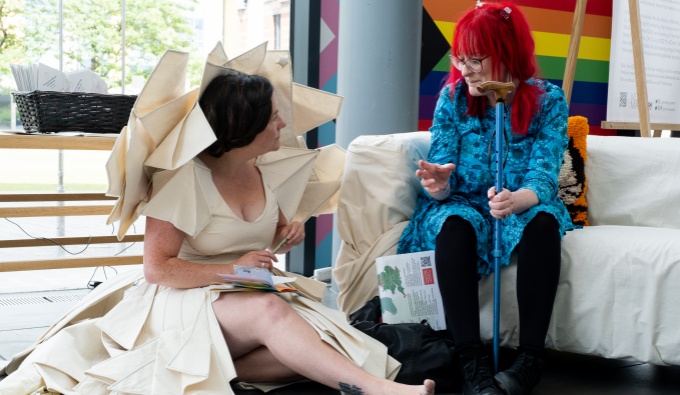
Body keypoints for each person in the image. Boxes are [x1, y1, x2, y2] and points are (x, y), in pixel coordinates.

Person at [0, 72, 435, 395]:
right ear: (242, 126)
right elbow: (157, 269)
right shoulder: (183, 179)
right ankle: (374, 390)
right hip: (183, 296)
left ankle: (209, 369)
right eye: (274, 118)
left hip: (241, 290)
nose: (282, 124)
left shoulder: (266, 169)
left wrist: (287, 231)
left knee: (315, 341)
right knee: (273, 317)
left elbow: (261, 238)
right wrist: (233, 269)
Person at [398, 2, 575, 395]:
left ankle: (530, 360)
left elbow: (543, 176)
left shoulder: (548, 100)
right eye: (459, 59)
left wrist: (519, 201)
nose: (465, 70)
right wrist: (438, 183)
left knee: (544, 223)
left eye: (475, 59)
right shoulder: (453, 98)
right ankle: (469, 359)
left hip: (522, 200)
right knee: (453, 223)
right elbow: (445, 172)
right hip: (466, 202)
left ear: (506, 52)